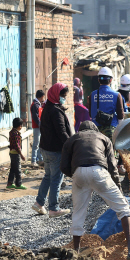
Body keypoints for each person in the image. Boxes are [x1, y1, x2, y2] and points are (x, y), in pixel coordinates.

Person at [60, 121, 130, 259]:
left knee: (78, 213)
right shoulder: (103, 137)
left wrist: (78, 175)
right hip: (99, 171)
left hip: (78, 173)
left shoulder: (72, 139)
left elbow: (63, 166)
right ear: (95, 129)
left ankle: (75, 253)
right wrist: (118, 189)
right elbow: (112, 167)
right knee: (124, 209)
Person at [32, 83, 72, 218]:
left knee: (48, 176)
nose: (64, 98)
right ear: (56, 95)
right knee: (56, 178)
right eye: (63, 96)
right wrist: (71, 145)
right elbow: (62, 132)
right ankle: (54, 208)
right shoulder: (55, 111)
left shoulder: (47, 107)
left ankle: (39, 203)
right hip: (55, 150)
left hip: (45, 148)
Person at [89, 67, 124, 142]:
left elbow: (90, 114)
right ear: (111, 80)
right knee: (110, 152)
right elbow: (120, 116)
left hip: (96, 130)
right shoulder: (116, 95)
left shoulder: (92, 94)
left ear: (98, 80)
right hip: (111, 130)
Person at [6, 118, 26, 190]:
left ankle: (10, 183)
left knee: (13, 169)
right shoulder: (16, 134)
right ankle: (18, 184)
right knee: (18, 169)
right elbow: (17, 146)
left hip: (12, 152)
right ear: (20, 126)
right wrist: (21, 154)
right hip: (15, 153)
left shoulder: (11, 132)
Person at [30, 90, 45, 167]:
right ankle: (33, 161)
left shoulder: (37, 104)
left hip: (38, 126)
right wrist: (40, 125)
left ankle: (40, 160)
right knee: (36, 144)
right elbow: (35, 117)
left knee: (38, 144)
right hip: (37, 127)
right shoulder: (35, 105)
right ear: (41, 96)